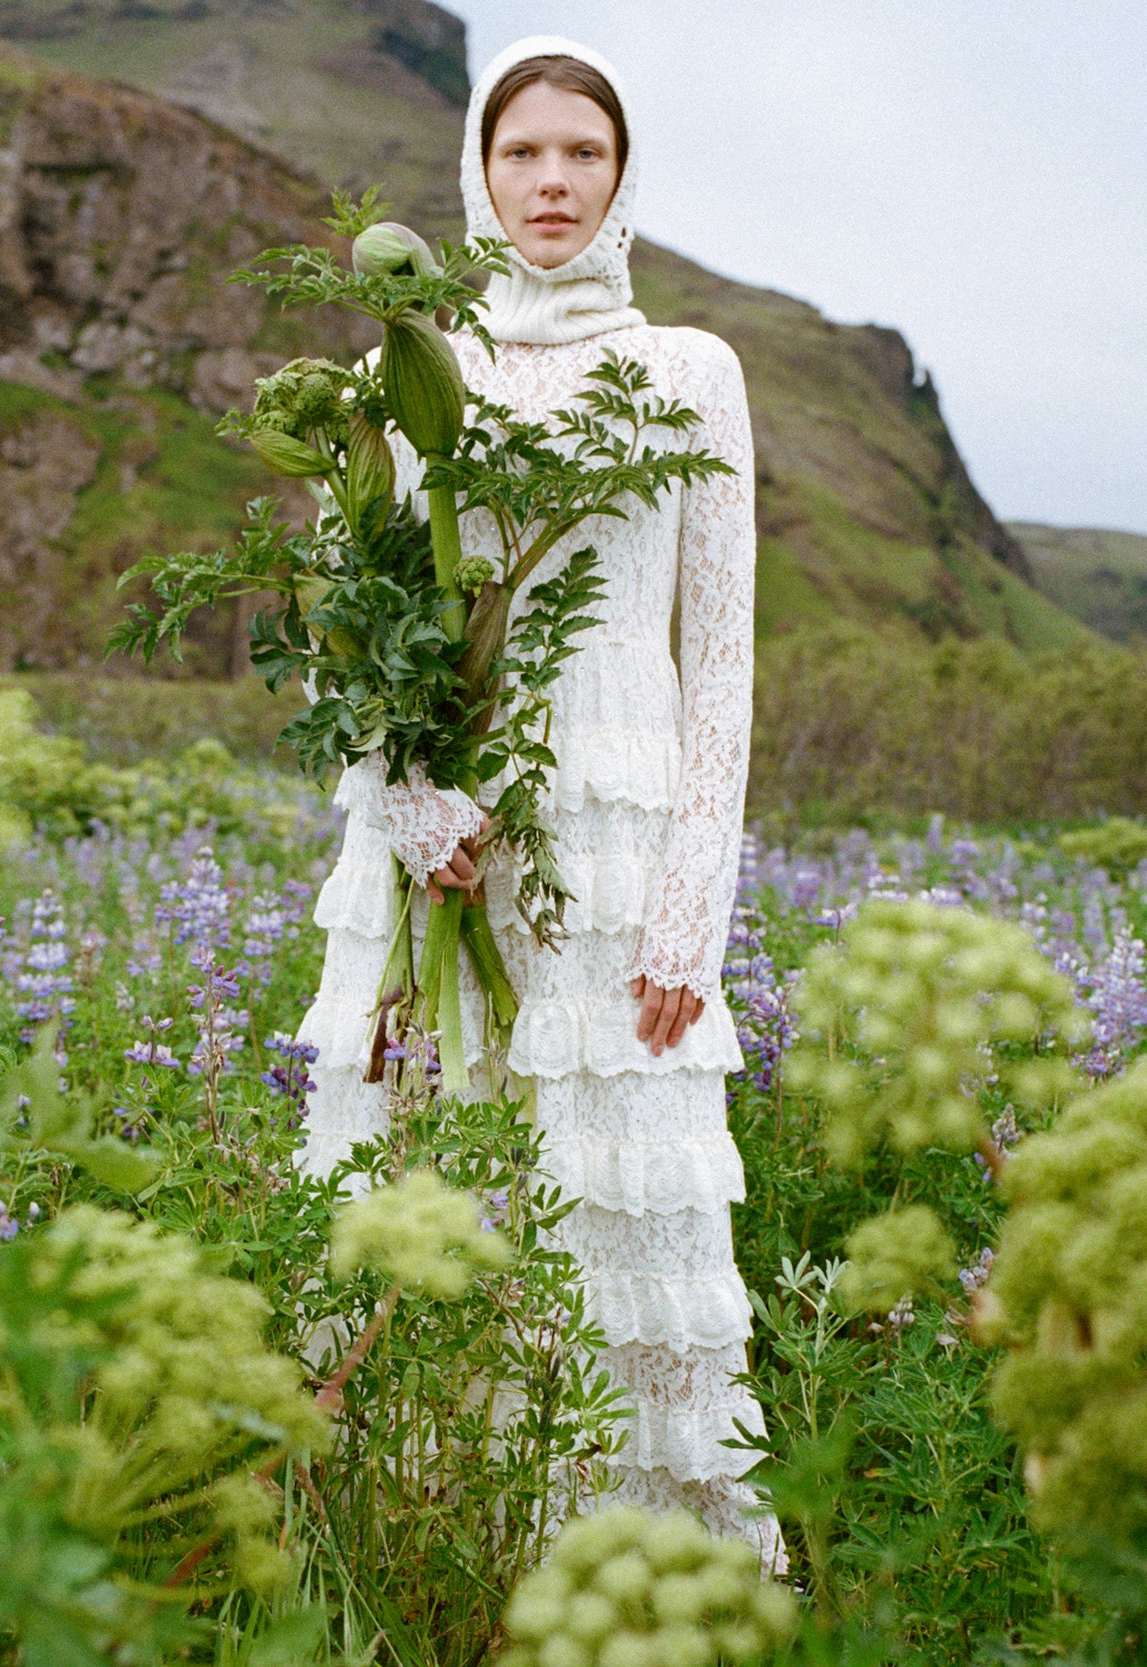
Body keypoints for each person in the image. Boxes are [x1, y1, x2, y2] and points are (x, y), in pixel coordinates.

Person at [297, 35, 784, 1571]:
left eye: (583, 152)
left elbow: (719, 664)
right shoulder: (391, 375)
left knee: (616, 1208)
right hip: (437, 864)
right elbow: (350, 631)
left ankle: (640, 1573)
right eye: (524, 153)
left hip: (617, 853)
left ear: (623, 174)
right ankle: (445, 1555)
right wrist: (407, 796)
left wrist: (693, 917)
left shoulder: (691, 372)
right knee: (451, 1194)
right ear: (477, 172)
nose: (553, 180)